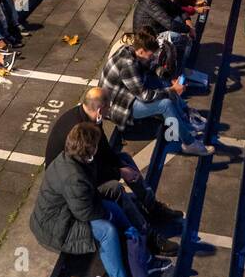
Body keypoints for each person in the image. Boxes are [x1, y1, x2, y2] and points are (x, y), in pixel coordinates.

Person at [30, 121, 147, 277]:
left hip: (69, 211)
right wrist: (108, 215)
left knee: (113, 201)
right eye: (96, 144)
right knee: (107, 231)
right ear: (88, 149)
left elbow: (87, 196)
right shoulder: (73, 177)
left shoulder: (74, 159)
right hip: (57, 226)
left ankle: (135, 239)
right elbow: (85, 213)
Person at [44, 87, 182, 248]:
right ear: (100, 110)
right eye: (109, 106)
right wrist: (119, 171)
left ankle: (152, 206)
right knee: (115, 189)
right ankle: (149, 236)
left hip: (84, 172)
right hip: (71, 188)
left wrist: (121, 165)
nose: (111, 110)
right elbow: (85, 172)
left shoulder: (91, 117)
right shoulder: (79, 131)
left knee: (124, 159)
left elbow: (103, 151)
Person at [100, 29, 214, 156]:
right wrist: (172, 90)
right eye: (150, 55)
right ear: (142, 51)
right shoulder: (128, 64)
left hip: (126, 94)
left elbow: (150, 66)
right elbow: (145, 96)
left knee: (163, 85)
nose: (152, 57)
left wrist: (168, 78)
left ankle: (186, 116)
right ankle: (189, 143)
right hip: (118, 107)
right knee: (165, 104)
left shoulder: (131, 50)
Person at [133, 0, 209, 68]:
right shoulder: (150, 3)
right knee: (185, 40)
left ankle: (176, 57)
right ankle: (182, 69)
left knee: (179, 19)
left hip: (156, 28)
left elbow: (177, 9)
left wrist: (189, 25)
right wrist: (188, 29)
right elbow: (170, 24)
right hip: (148, 37)